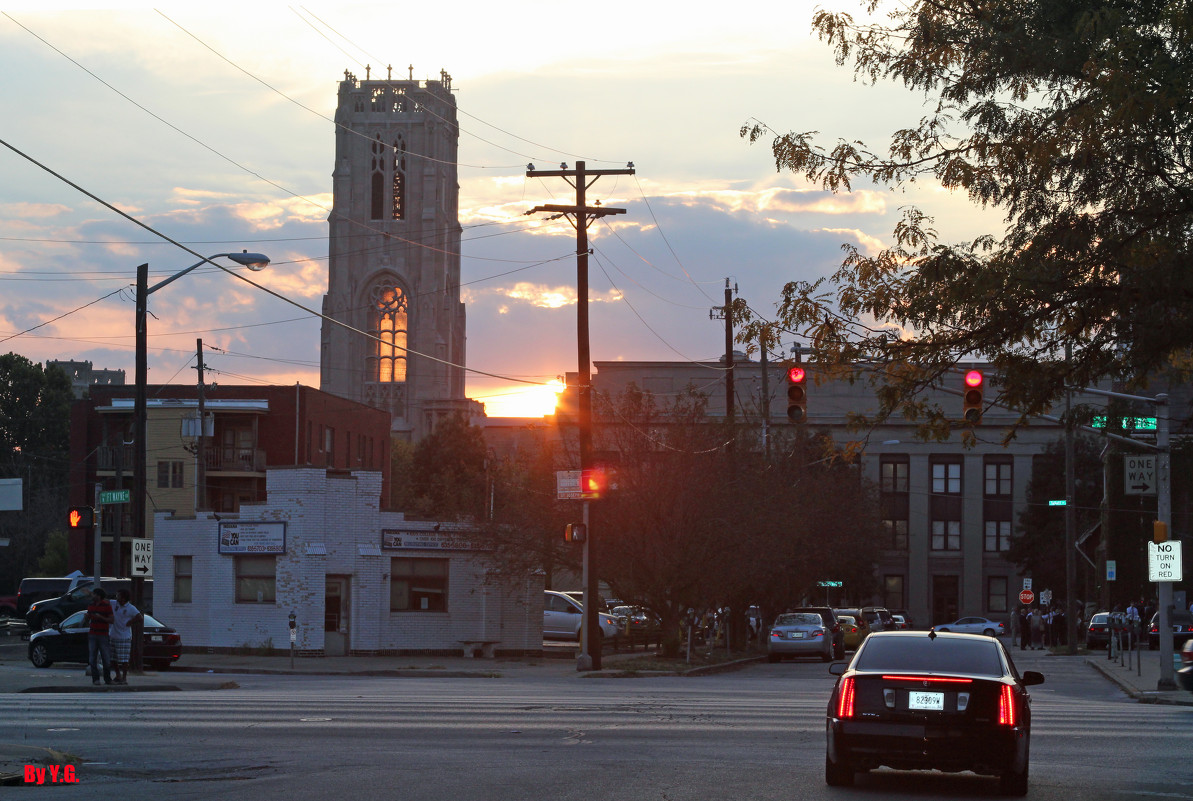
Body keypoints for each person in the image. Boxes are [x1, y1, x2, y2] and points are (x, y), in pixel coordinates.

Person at [108, 589, 142, 685]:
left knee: (124, 659)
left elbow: (140, 617)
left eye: (118, 595)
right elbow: (105, 600)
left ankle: (124, 677)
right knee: (113, 658)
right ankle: (118, 675)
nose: (116, 597)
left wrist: (130, 622)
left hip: (124, 636)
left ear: (123, 597)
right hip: (113, 635)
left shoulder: (131, 608)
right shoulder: (114, 604)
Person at [84, 587, 114, 686]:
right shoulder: (91, 605)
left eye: (94, 594)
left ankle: (107, 679)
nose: (92, 596)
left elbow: (111, 620)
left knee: (106, 658)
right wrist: (87, 618)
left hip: (103, 634)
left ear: (99, 595)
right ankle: (95, 679)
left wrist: (100, 617)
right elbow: (87, 620)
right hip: (93, 633)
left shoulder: (106, 606)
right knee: (92, 658)